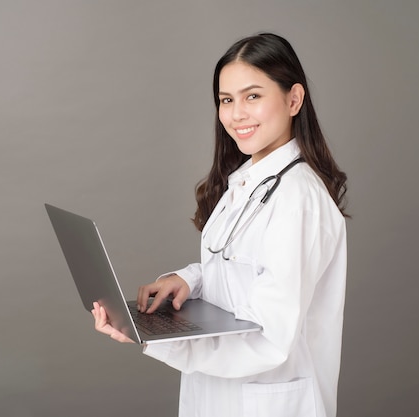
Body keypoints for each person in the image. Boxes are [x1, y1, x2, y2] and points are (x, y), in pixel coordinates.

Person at [92, 32, 348, 417]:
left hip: (271, 404)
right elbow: (241, 266)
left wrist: (154, 338)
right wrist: (190, 280)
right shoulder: (245, 181)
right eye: (226, 100)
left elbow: (269, 341)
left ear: (293, 99)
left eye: (253, 96)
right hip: (216, 398)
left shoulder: (298, 201)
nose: (236, 114)